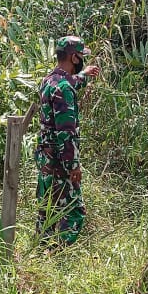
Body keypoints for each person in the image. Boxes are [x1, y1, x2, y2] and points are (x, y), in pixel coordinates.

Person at [35, 35, 100, 245]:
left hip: (46, 160)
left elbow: (70, 82)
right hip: (60, 163)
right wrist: (73, 166)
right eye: (81, 56)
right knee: (73, 211)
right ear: (74, 57)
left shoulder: (49, 81)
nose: (82, 59)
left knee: (47, 209)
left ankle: (40, 250)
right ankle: (60, 254)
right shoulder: (64, 89)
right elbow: (66, 132)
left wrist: (84, 74)